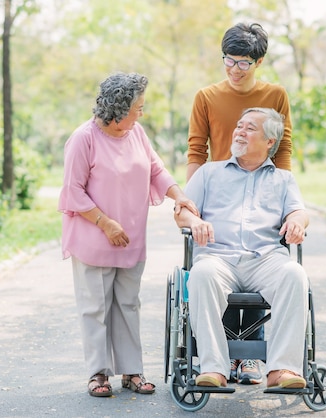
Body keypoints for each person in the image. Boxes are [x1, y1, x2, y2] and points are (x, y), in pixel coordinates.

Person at [58, 72, 198, 398]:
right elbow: (72, 192)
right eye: (138, 107)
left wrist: (179, 195)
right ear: (119, 109)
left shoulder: (136, 133)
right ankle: (98, 374)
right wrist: (105, 223)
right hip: (94, 238)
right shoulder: (84, 138)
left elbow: (156, 169)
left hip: (131, 237)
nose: (141, 113)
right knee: (95, 307)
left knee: (128, 304)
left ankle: (132, 371)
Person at [186, 22, 294, 385]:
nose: (233, 68)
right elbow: (195, 150)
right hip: (218, 189)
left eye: (242, 62)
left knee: (270, 268)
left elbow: (284, 149)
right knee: (214, 271)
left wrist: (282, 196)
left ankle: (257, 362)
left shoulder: (275, 95)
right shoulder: (206, 96)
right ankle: (219, 364)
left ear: (258, 62)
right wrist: (191, 205)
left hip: (260, 186)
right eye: (227, 60)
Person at [175, 107, 309, 389]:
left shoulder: (283, 179)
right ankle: (214, 369)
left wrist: (296, 221)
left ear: (270, 141)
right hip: (217, 258)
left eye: (250, 128)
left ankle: (282, 369)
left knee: (295, 274)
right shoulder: (209, 173)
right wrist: (194, 220)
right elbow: (181, 213)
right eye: (239, 126)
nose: (240, 132)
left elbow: (299, 212)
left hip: (265, 260)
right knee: (201, 275)